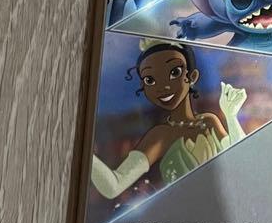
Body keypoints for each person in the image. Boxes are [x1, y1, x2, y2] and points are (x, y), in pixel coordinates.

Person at [90, 41, 247, 197]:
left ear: (192, 76)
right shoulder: (160, 136)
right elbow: (114, 186)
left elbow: (241, 161)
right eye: (150, 80)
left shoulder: (209, 122)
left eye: (174, 72)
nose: (163, 86)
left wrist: (231, 116)